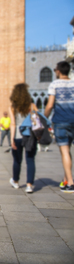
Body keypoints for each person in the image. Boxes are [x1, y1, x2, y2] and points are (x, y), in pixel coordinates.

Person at [44, 61, 74, 193]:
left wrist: (44, 118)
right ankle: (66, 179)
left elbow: (50, 105)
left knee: (64, 150)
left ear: (58, 71)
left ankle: (71, 183)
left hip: (61, 121)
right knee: (68, 151)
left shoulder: (54, 84)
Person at [9, 83, 38, 193]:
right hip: (30, 136)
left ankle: (15, 182)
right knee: (30, 160)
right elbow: (36, 121)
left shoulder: (13, 107)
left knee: (17, 160)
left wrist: (12, 139)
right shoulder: (32, 106)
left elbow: (13, 124)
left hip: (18, 136)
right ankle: (29, 185)